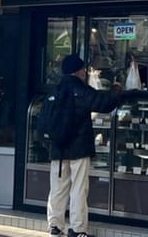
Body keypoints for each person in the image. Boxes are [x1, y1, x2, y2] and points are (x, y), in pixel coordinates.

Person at [47, 54, 122, 237]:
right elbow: (103, 103)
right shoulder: (79, 89)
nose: (84, 72)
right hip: (78, 148)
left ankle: (54, 226)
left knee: (57, 188)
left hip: (58, 147)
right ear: (78, 71)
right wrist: (116, 90)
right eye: (82, 69)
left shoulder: (54, 90)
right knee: (78, 188)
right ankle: (78, 229)